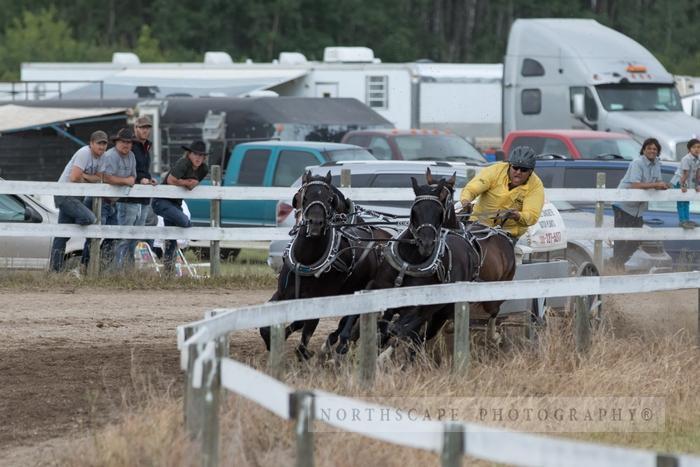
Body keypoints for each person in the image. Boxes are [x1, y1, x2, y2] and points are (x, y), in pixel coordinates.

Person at [459, 146, 545, 243]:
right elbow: (472, 189)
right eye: (515, 167)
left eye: (523, 170)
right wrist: (466, 201)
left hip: (507, 234)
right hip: (477, 226)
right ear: (509, 165)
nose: (518, 172)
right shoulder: (494, 171)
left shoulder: (536, 186)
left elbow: (532, 215)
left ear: (530, 171)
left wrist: (518, 216)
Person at [49, 131, 108, 272]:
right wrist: (90, 178)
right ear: (91, 143)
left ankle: (55, 271)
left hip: (76, 197)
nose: (102, 147)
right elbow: (74, 178)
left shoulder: (103, 157)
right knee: (90, 218)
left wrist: (85, 176)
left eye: (104, 143)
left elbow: (100, 178)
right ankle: (56, 269)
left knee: (62, 235)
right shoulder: (84, 153)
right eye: (99, 143)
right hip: (64, 194)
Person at [82, 128, 137, 270]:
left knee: (112, 236)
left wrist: (126, 180)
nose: (126, 145)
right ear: (117, 142)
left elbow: (133, 177)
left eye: (129, 142)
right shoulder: (110, 156)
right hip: (99, 201)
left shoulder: (131, 156)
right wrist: (125, 181)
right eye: (123, 142)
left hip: (113, 203)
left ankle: (101, 267)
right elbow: (106, 177)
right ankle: (86, 266)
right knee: (94, 236)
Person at [151, 140, 209, 274]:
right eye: (195, 154)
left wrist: (186, 183)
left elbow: (193, 184)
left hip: (175, 203)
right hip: (162, 201)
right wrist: (187, 182)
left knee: (171, 238)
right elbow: (171, 180)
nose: (198, 158)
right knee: (183, 221)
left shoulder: (204, 169)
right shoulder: (183, 163)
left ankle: (168, 272)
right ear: (189, 154)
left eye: (201, 155)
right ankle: (193, 231)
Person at [612, 137, 670, 267]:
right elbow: (635, 185)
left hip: (638, 209)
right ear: (643, 150)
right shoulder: (637, 163)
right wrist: (656, 184)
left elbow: (658, 182)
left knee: (636, 239)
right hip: (624, 205)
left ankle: (614, 264)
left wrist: (663, 185)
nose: (652, 151)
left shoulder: (657, 164)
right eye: (649, 148)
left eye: (655, 149)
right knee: (621, 239)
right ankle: (615, 266)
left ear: (658, 151)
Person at [114, 116, 157, 268]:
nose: (145, 130)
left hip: (142, 198)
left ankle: (127, 270)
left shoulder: (147, 147)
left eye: (147, 127)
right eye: (142, 127)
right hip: (128, 197)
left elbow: (142, 170)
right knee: (124, 237)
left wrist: (149, 178)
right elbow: (125, 168)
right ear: (135, 129)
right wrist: (141, 179)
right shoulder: (131, 146)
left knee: (135, 237)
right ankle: (118, 271)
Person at [670, 138, 700, 229]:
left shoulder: (698, 159)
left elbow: (698, 174)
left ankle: (687, 220)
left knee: (686, 201)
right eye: (694, 147)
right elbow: (685, 174)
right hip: (680, 181)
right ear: (689, 149)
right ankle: (682, 221)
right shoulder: (686, 159)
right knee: (681, 202)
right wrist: (683, 186)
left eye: (699, 147)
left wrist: (697, 185)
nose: (696, 149)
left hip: (688, 181)